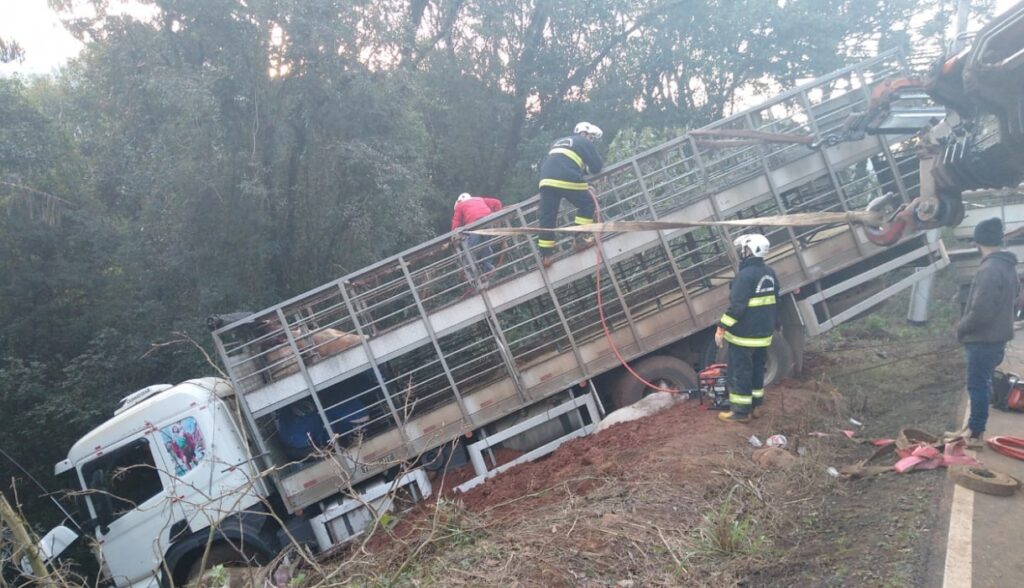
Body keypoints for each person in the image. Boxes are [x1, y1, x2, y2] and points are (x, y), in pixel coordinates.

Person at [955, 217, 1019, 448]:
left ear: (978, 241)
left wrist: (961, 328)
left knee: (977, 385)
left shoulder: (989, 268)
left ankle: (975, 433)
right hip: (997, 339)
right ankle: (973, 426)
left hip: (983, 340)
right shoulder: (1008, 266)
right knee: (982, 383)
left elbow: (980, 311)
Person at [715, 233, 779, 423]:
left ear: (749, 250)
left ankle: (740, 413)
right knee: (757, 369)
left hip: (744, 336)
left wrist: (721, 328)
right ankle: (756, 406)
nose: (742, 252)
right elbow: (777, 300)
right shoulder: (770, 273)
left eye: (743, 248)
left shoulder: (744, 276)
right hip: (763, 335)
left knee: (741, 372)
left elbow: (737, 307)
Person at [537, 122, 604, 268]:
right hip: (565, 177)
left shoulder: (559, 142)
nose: (591, 140)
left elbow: (563, 162)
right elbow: (597, 166)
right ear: (585, 134)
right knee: (587, 203)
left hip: (546, 179)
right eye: (591, 137)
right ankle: (580, 238)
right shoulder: (584, 142)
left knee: (548, 217)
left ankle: (546, 255)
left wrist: (581, 173)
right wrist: (588, 184)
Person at [451, 193, 504, 275]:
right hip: (488, 221)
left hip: (475, 225)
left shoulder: (460, 205)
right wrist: (498, 218)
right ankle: (489, 268)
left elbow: (456, 223)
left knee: (471, 250)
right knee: (486, 245)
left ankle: (472, 275)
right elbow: (497, 202)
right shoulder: (479, 199)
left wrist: (453, 235)